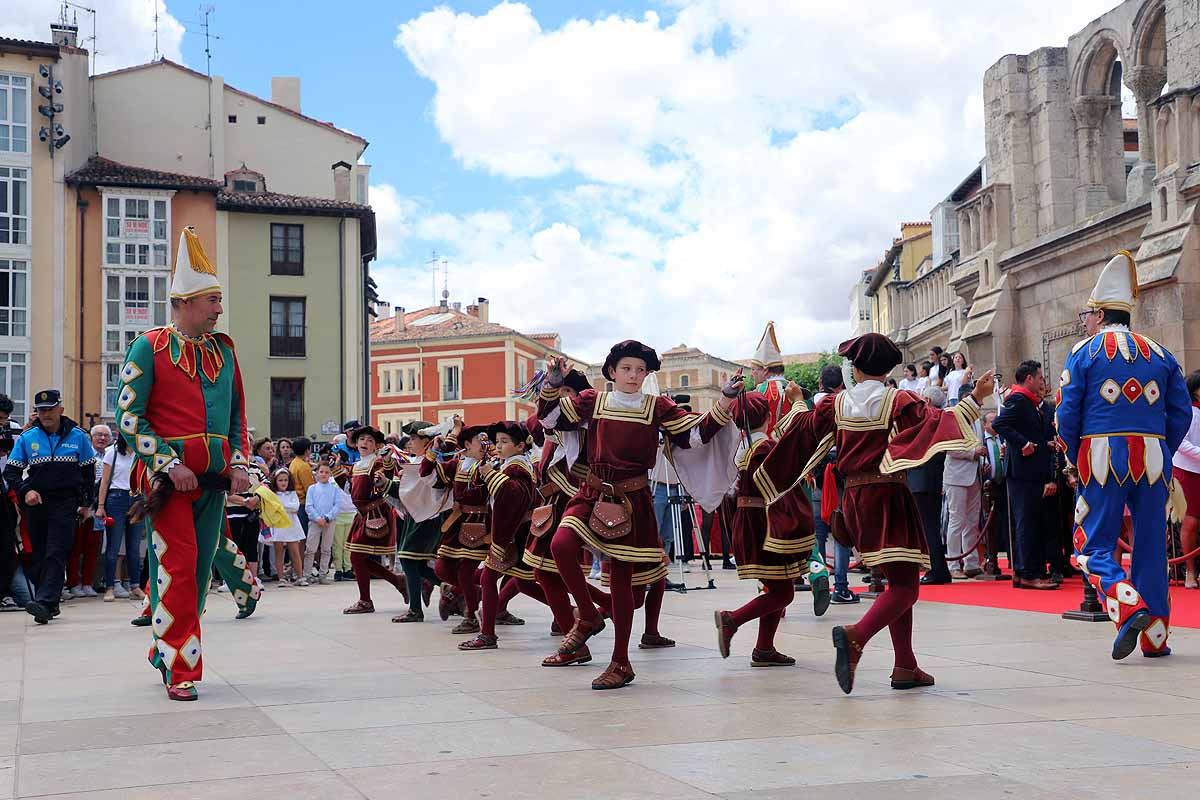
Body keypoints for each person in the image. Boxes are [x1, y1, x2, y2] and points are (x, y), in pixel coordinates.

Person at [755, 332, 995, 694]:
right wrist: (975, 398)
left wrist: (798, 403)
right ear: (888, 367)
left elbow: (800, 429)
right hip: (888, 494)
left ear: (855, 367)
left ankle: (905, 665)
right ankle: (857, 637)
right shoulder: (898, 399)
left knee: (898, 578)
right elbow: (937, 424)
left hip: (852, 498)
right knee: (905, 586)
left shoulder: (836, 403)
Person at [538, 342, 738, 690]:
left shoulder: (657, 406)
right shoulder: (593, 402)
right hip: (592, 491)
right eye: (626, 368)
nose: (633, 375)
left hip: (633, 498)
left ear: (647, 375)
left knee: (622, 580)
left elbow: (694, 435)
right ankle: (587, 616)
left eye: (640, 370)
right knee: (561, 544)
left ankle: (621, 662)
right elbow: (549, 419)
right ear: (612, 372)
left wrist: (724, 399)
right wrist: (551, 386)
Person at [113, 227, 252, 701]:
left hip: (212, 482)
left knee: (198, 571)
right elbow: (128, 418)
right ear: (185, 302)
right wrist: (169, 464)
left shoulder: (225, 350)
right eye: (212, 299)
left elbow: (237, 418)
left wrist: (238, 463)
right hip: (166, 484)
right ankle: (181, 668)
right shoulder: (147, 346)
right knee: (177, 566)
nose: (218, 308)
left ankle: (166, 647)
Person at [1057, 250, 1191, 659]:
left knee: (1090, 545)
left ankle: (1127, 605)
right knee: (1151, 547)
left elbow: (1067, 412)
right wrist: (1160, 447)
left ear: (1099, 314)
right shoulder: (1162, 353)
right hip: (1153, 458)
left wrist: (1073, 455)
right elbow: (1181, 412)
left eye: (1088, 314)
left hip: (1101, 457)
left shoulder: (1084, 352)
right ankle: (1155, 639)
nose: (1085, 320)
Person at [715, 391, 809, 667]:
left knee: (775, 585)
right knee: (783, 592)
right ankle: (732, 620)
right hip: (765, 522)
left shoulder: (742, 450)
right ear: (769, 417)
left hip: (749, 519)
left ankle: (764, 648)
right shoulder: (765, 448)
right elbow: (787, 471)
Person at [3, 389, 96, 624]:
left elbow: (88, 473)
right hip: (36, 503)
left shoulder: (78, 436)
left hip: (66, 503)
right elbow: (11, 472)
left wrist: (86, 505)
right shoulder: (27, 438)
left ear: (60, 410)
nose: (46, 414)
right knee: (41, 556)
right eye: (41, 410)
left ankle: (44, 603)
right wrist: (26, 491)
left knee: (56, 551)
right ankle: (51, 603)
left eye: (50, 409)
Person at [460, 420, 550, 650]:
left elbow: (514, 494)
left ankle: (487, 634)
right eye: (496, 442)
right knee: (526, 583)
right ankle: (572, 615)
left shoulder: (517, 467)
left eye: (504, 442)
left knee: (488, 579)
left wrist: (491, 475)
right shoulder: (508, 465)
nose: (497, 446)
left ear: (520, 446)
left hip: (514, 534)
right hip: (513, 533)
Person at [993, 360, 1059, 590]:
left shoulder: (1030, 403)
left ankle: (1033, 570)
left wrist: (1045, 444)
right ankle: (1026, 572)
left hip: (1033, 470)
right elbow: (1000, 424)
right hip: (1022, 472)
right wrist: (1023, 444)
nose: (1042, 381)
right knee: (1027, 522)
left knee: (1034, 522)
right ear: (1029, 378)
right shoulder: (1018, 399)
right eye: (1039, 377)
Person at [424, 419, 492, 632]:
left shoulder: (489, 466)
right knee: (442, 568)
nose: (484, 444)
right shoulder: (456, 465)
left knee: (465, 573)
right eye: (479, 440)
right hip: (456, 523)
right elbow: (426, 472)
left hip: (480, 525)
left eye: (485, 440)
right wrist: (434, 450)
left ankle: (471, 616)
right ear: (467, 445)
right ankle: (468, 591)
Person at [338, 425, 408, 614]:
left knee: (356, 557)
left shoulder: (375, 462)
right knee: (359, 558)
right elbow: (347, 487)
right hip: (362, 516)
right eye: (362, 440)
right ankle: (396, 581)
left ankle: (366, 600)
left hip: (376, 514)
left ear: (376, 445)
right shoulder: (356, 465)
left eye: (370, 441)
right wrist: (337, 468)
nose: (365, 443)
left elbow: (388, 474)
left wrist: (386, 465)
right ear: (356, 443)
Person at [386, 421, 448, 623]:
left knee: (407, 559)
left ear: (428, 441)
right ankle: (457, 589)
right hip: (419, 516)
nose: (410, 442)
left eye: (414, 438)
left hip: (425, 517)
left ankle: (415, 610)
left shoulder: (426, 463)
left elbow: (410, 492)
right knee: (418, 565)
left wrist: (387, 484)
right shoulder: (417, 462)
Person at [65, 423, 113, 598]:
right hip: (80, 506)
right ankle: (73, 583)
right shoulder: (80, 456)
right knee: (75, 547)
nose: (101, 438)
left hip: (98, 507)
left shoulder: (110, 455)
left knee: (93, 548)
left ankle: (87, 582)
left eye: (105, 435)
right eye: (97, 435)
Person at [96, 432, 145, 601]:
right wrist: (101, 506)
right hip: (116, 498)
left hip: (137, 498)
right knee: (113, 546)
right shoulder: (113, 452)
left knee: (134, 547)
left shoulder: (141, 453)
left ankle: (135, 586)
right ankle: (109, 587)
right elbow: (105, 480)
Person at [908, 385, 949, 585]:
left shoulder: (928, 418)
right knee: (931, 526)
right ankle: (939, 569)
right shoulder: (939, 418)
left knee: (928, 528)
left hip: (922, 478)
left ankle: (937, 570)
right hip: (930, 478)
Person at [944, 384, 986, 579]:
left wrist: (983, 459)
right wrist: (972, 453)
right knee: (957, 520)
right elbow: (949, 448)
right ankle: (953, 564)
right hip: (957, 475)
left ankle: (971, 562)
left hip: (975, 473)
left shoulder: (977, 419)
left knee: (972, 521)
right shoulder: (953, 417)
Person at [1173, 371, 1200, 588]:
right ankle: (1189, 571)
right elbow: (1181, 443)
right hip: (1188, 470)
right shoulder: (1188, 412)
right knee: (1191, 521)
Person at [304, 462, 339, 584]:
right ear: (317, 473)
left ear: (330, 474)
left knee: (326, 549)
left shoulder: (334, 489)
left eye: (327, 472)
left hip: (329, 522)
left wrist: (327, 518)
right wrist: (317, 518)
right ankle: (307, 574)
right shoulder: (312, 488)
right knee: (310, 549)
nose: (324, 474)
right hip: (315, 522)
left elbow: (336, 506)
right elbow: (309, 506)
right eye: (321, 472)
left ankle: (323, 574)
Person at [289, 436, 316, 538]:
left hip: (295, 501)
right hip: (303, 504)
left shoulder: (294, 462)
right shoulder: (304, 466)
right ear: (307, 450)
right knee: (304, 536)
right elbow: (310, 488)